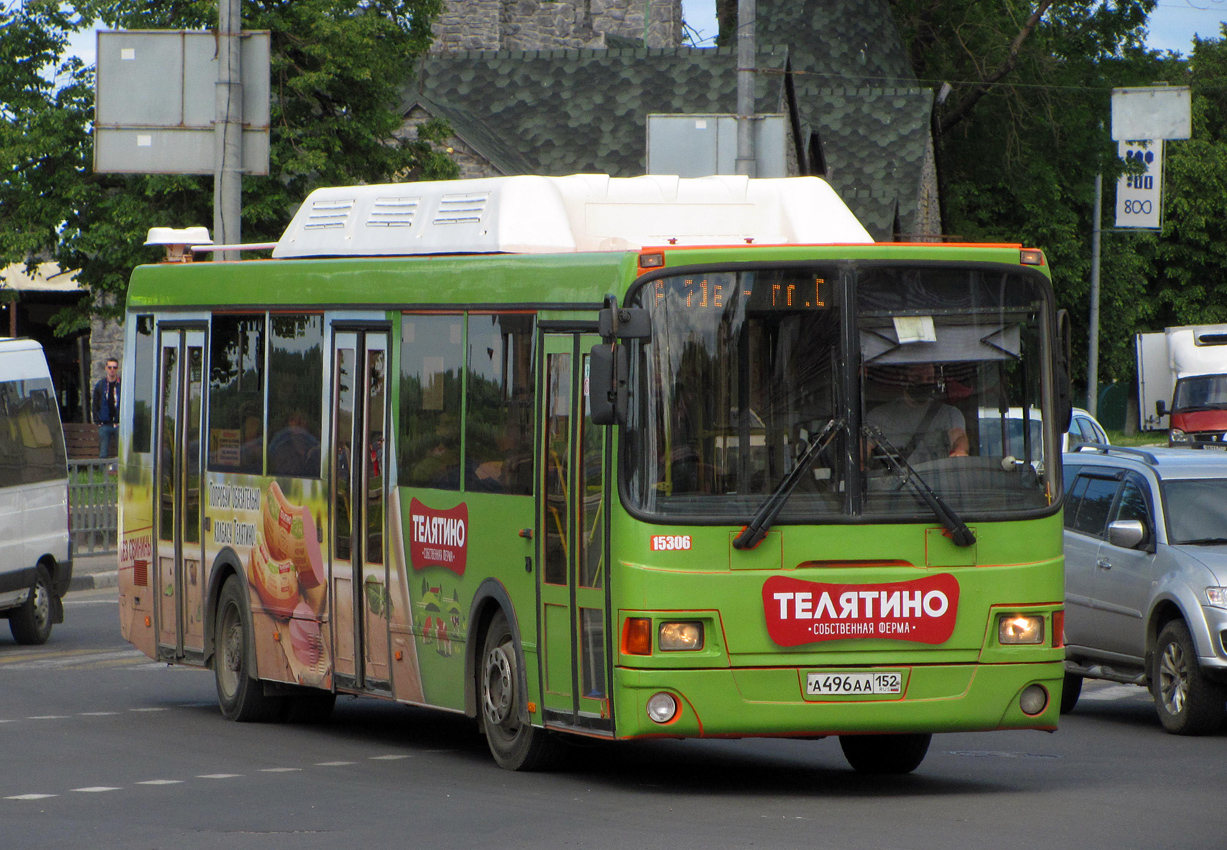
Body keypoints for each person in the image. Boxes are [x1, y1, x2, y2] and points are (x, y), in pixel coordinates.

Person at [865, 362, 968, 465]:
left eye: (929, 379)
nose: (924, 383)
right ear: (903, 379)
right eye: (917, 379)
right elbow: (862, 451)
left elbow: (958, 436)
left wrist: (960, 450)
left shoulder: (949, 414)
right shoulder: (879, 417)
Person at [92, 358, 121, 458]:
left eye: (114, 367)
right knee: (103, 452)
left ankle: (120, 472)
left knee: (122, 452)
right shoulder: (100, 385)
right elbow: (95, 404)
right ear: (106, 368)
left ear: (117, 369)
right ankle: (102, 472)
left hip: (119, 424)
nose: (112, 369)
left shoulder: (122, 384)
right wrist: (97, 421)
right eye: (110, 367)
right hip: (104, 424)